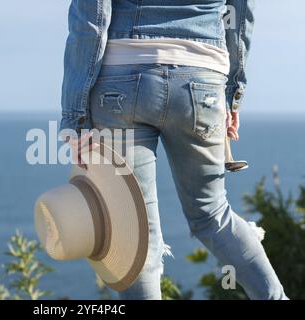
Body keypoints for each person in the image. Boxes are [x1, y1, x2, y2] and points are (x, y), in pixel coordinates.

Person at [59, 0, 288, 300]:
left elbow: (91, 15)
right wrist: (233, 93)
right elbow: (241, 12)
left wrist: (74, 115)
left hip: (121, 83)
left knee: (137, 234)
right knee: (212, 215)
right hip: (202, 81)